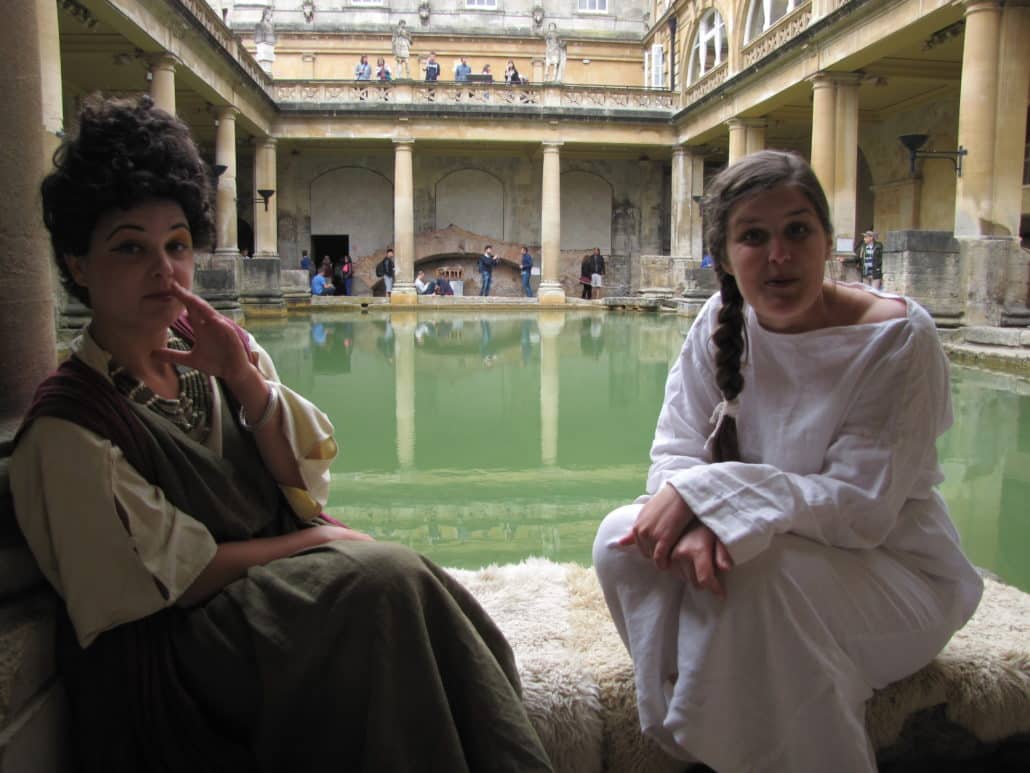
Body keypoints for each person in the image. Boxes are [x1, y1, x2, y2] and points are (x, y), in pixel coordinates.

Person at [12, 94, 552, 773]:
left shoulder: (218, 350)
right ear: (78, 264)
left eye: (177, 244)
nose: (163, 269)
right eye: (129, 246)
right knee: (383, 579)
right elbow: (181, 579)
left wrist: (243, 379)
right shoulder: (68, 428)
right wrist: (318, 538)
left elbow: (300, 478)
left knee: (413, 590)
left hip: (267, 598)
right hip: (184, 655)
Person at [591, 150, 982, 772]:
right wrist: (704, 518)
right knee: (621, 538)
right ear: (723, 254)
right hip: (764, 555)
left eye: (798, 229)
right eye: (754, 236)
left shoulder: (898, 337)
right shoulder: (719, 320)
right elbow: (673, 454)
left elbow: (862, 511)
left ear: (829, 241)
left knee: (753, 576)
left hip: (892, 573)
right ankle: (702, 727)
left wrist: (718, 505)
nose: (779, 255)